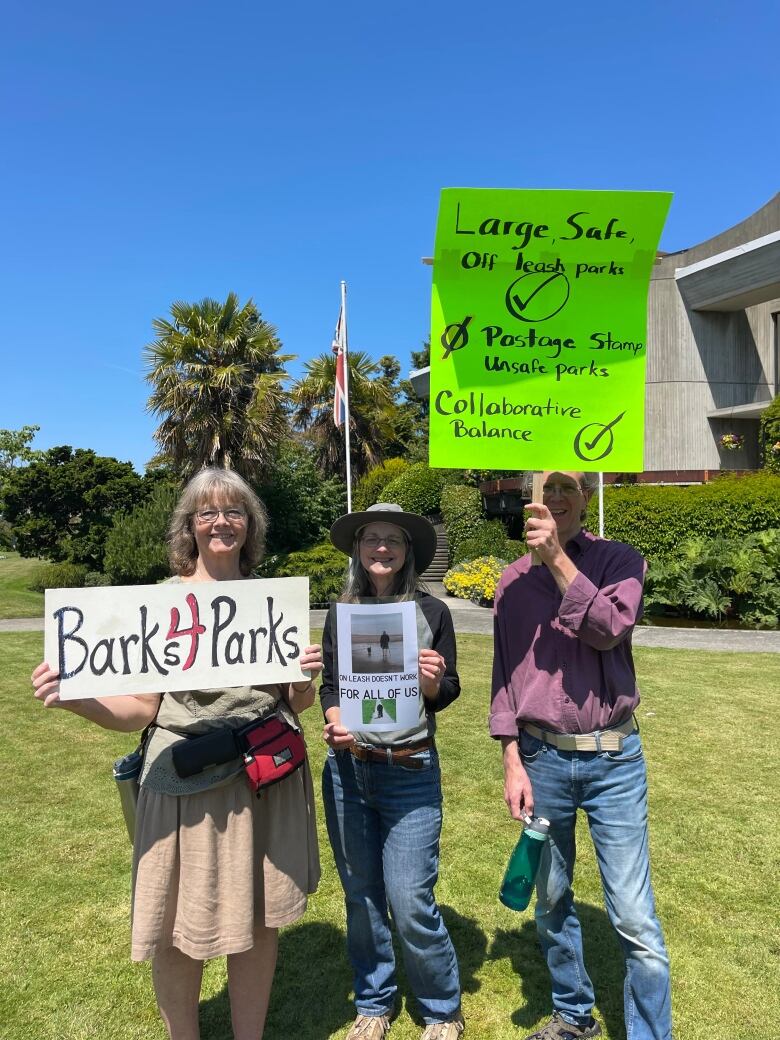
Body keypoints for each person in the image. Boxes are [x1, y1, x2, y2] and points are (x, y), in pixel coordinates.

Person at [32, 467, 322, 1040]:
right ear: (189, 525)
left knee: (261, 920)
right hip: (181, 781)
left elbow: (296, 704)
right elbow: (141, 711)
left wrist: (307, 679)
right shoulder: (161, 603)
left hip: (263, 779)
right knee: (173, 928)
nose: (222, 522)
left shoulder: (273, 601)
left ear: (250, 524)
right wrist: (76, 699)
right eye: (208, 512)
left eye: (234, 511)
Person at [490, 471, 672, 1040]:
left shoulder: (620, 561)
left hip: (613, 760)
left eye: (569, 488)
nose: (558, 500)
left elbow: (609, 629)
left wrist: (557, 561)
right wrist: (512, 759)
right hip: (543, 761)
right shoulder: (511, 581)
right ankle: (574, 1015)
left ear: (587, 497)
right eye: (546, 490)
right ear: (530, 501)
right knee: (550, 901)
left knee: (633, 915)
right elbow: (505, 679)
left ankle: (649, 1033)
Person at [321, 503, 465, 1040]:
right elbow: (332, 685)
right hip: (347, 773)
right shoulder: (342, 612)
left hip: (411, 769)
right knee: (361, 897)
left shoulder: (434, 613)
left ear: (408, 552)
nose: (382, 548)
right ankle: (375, 1002)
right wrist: (336, 720)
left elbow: (448, 692)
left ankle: (441, 1008)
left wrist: (431, 682)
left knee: (409, 900)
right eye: (372, 539)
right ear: (358, 549)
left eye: (393, 541)